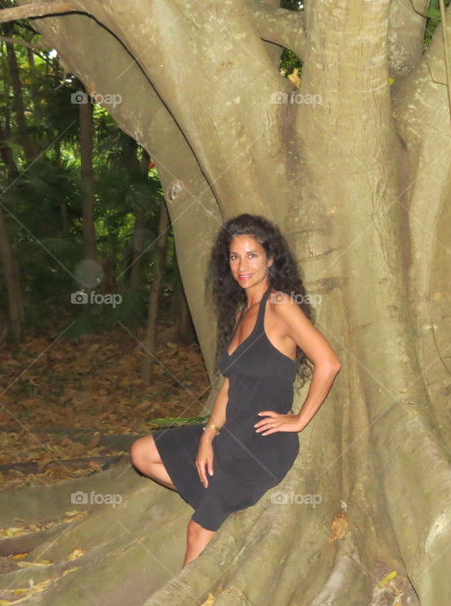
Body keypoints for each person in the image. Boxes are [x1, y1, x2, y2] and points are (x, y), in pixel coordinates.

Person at [130, 214, 341, 566]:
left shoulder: (279, 305)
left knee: (197, 531)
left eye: (252, 255)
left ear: (271, 259)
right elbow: (231, 383)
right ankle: (220, 507)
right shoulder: (243, 311)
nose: (242, 266)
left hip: (260, 445)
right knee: (142, 453)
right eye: (234, 256)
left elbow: (329, 363)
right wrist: (209, 436)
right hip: (230, 434)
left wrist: (300, 419)